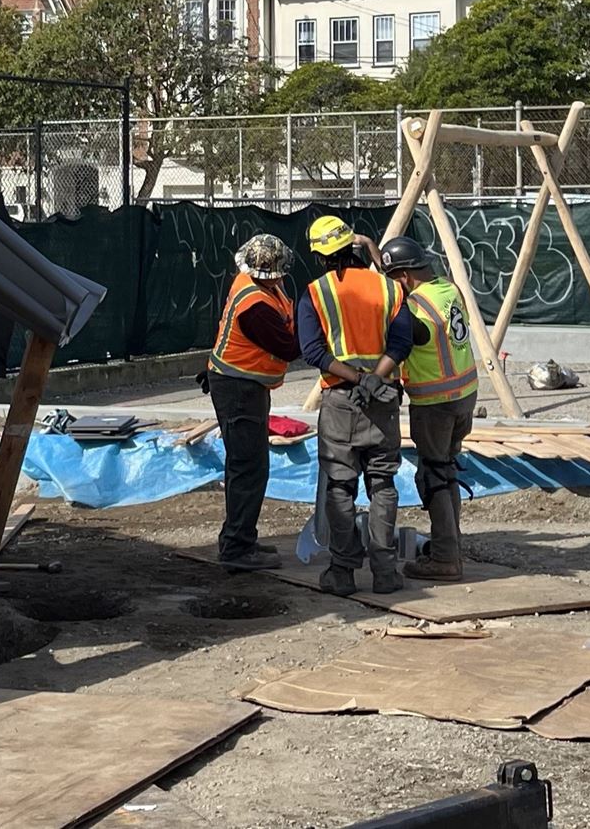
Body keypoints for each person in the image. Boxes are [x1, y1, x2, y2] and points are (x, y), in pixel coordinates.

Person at [296, 214, 416, 595]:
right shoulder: (388, 289)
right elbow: (402, 343)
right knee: (382, 484)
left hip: (341, 402)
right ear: (352, 247)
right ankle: (384, 573)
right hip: (382, 400)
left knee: (339, 487)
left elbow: (312, 351)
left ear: (321, 256)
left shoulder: (316, 293)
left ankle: (343, 572)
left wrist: (356, 379)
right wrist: (375, 378)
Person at [377, 235, 478, 581]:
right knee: (447, 470)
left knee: (433, 476)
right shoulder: (446, 290)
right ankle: (449, 546)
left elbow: (403, 342)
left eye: (392, 278)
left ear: (403, 277)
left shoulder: (416, 308)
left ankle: (446, 559)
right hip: (465, 394)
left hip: (436, 402)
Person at [203, 234, 299, 571]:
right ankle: (237, 548)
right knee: (249, 467)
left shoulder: (255, 285)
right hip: (238, 387)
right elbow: (289, 347)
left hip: (245, 384)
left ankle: (240, 538)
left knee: (248, 465)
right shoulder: (255, 306)